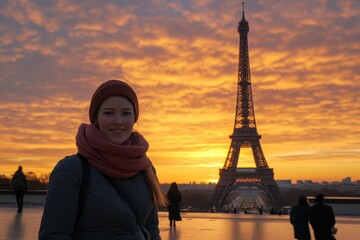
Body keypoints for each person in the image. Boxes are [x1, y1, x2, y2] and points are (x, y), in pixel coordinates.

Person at [39, 80, 167, 239]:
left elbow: (150, 227)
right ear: (96, 118)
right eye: (109, 112)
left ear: (134, 118)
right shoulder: (72, 169)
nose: (118, 121)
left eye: (126, 113)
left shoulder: (146, 168)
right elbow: (55, 235)